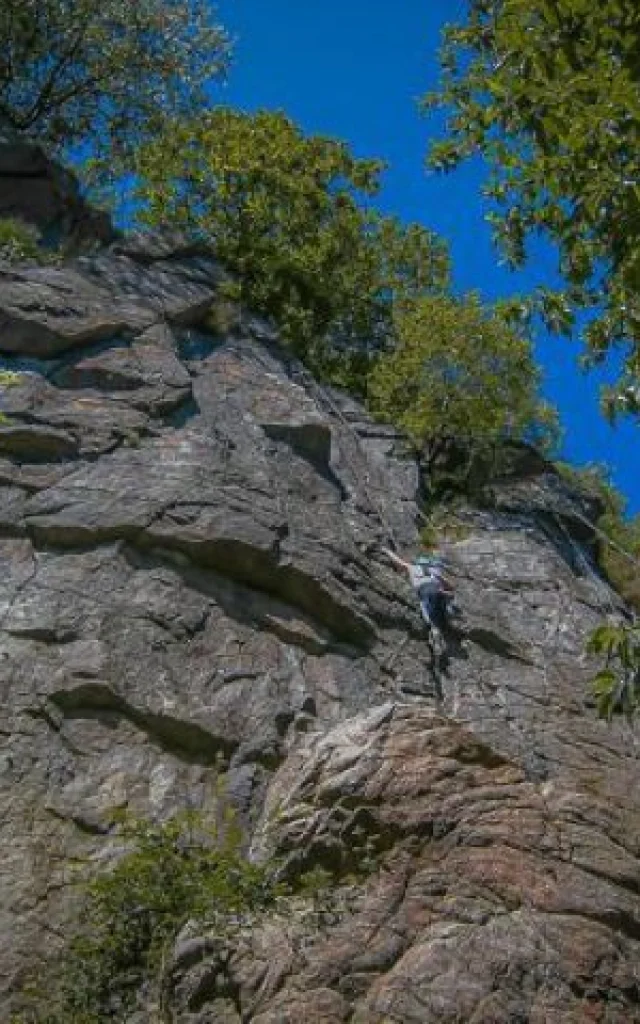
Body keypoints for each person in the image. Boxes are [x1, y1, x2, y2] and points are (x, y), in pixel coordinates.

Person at [382, 546, 455, 646]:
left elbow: (399, 562)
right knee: (439, 601)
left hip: (424, 590)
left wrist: (387, 551)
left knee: (426, 606)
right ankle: (448, 609)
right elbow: (451, 586)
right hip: (435, 589)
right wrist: (441, 580)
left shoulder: (412, 567)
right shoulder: (433, 571)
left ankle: (434, 627)